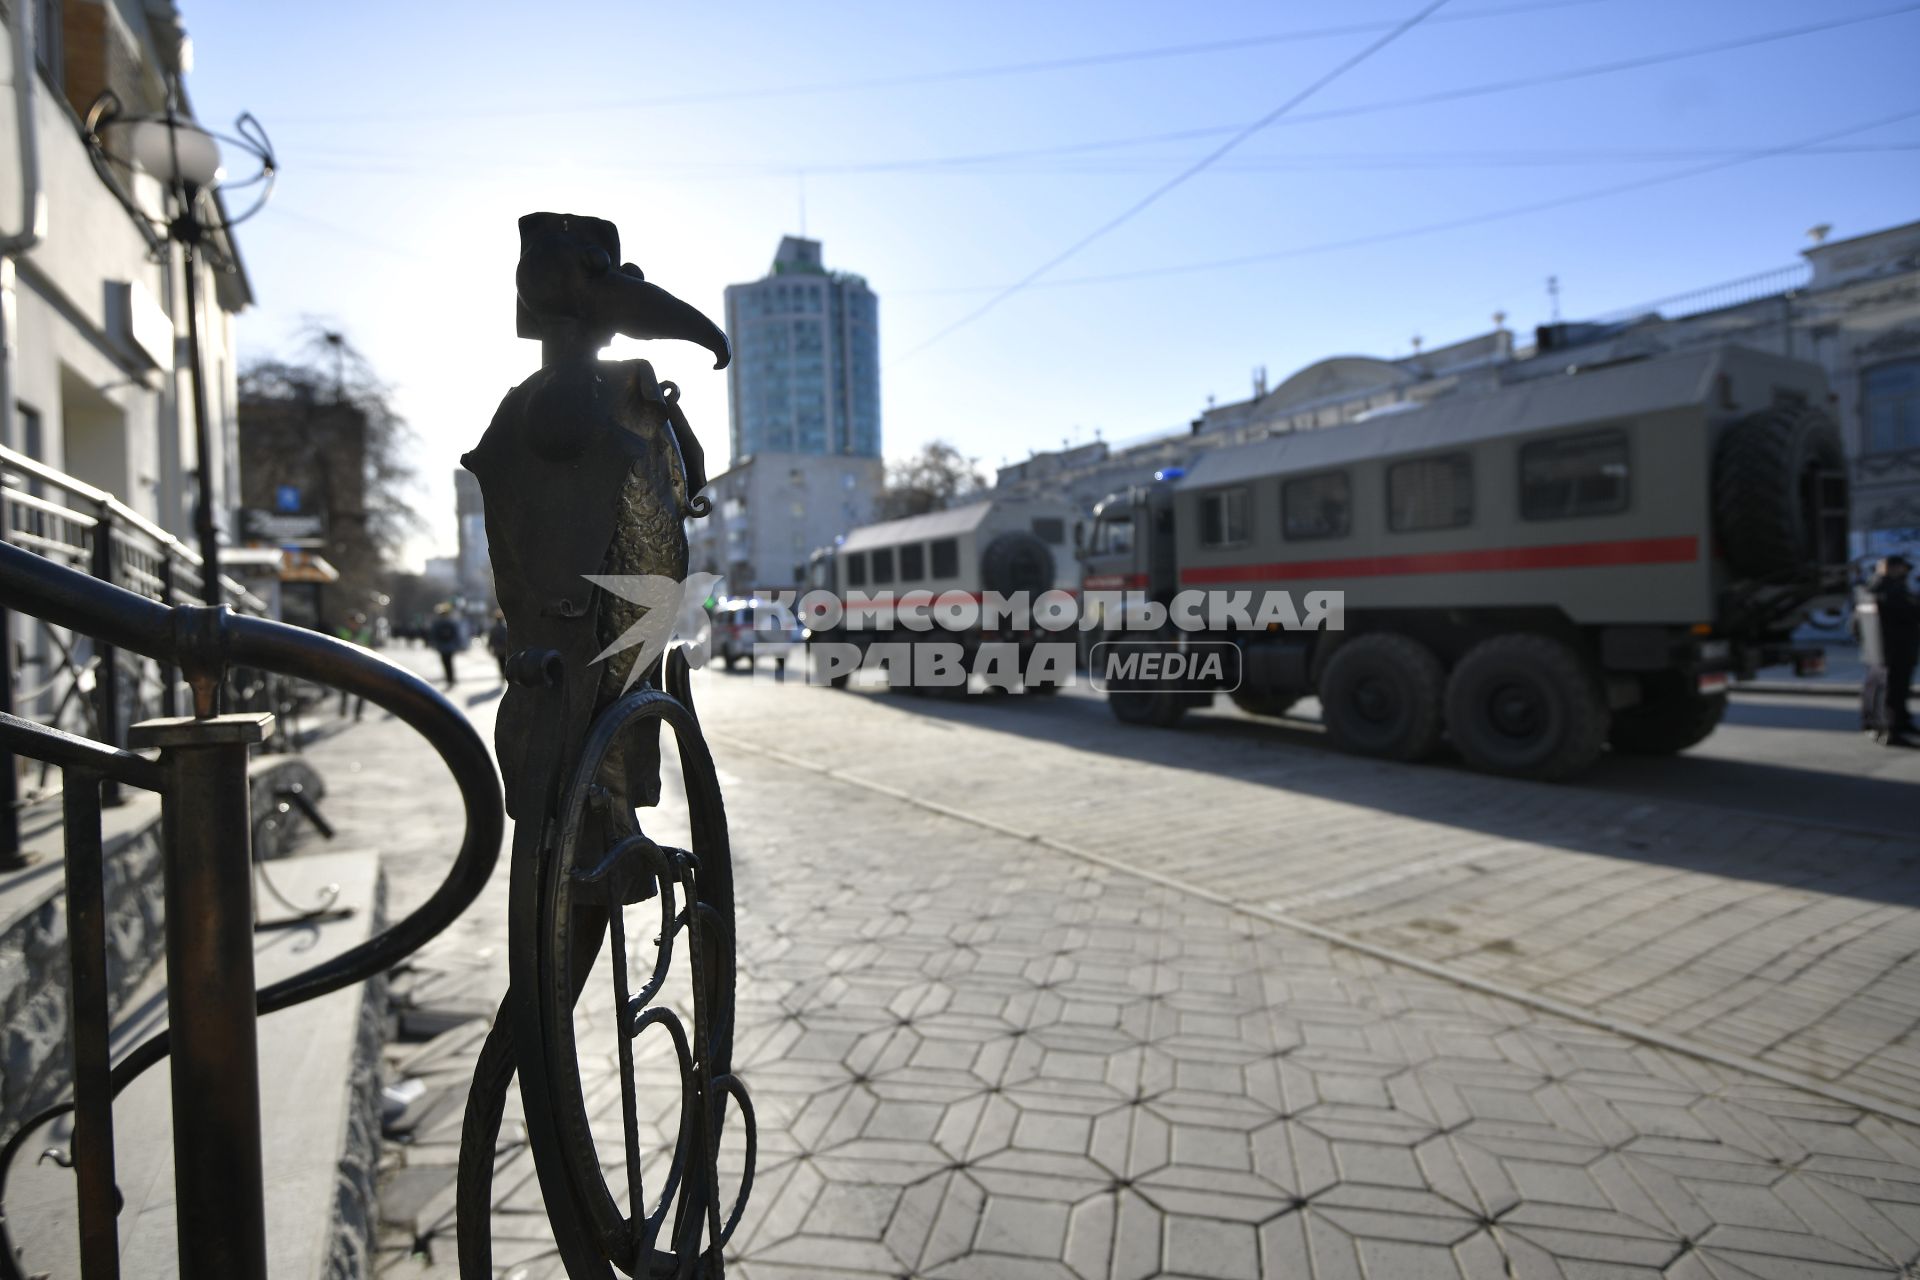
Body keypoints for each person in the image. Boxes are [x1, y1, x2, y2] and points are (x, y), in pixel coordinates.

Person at [1867, 554, 1918, 747]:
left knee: (1896, 690)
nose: (1904, 572)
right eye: (1902, 568)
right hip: (1894, 649)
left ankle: (1900, 724)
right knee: (1893, 691)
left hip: (1894, 648)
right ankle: (1892, 730)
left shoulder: (1881, 586)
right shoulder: (1887, 588)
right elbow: (1907, 612)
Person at [333, 610, 373, 720]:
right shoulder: (341, 632)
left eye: (357, 622)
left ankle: (358, 713)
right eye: (353, 622)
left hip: (361, 665)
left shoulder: (365, 633)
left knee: (362, 691)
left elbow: (370, 647)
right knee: (344, 689)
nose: (355, 624)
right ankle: (343, 708)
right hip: (345, 665)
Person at [428, 603, 463, 690]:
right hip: (450, 646)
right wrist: (457, 644)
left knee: (445, 662)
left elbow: (434, 635)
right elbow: (456, 634)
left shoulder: (437, 623)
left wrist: (434, 644)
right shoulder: (451, 622)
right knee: (450, 662)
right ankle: (451, 678)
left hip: (442, 646)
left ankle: (448, 678)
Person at [487, 609, 510, 681]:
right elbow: (508, 638)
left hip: (497, 649)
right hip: (504, 649)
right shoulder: (504, 628)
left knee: (500, 662)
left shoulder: (493, 629)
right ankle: (505, 674)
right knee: (505, 662)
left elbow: (490, 639)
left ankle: (502, 674)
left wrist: (488, 647)